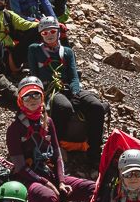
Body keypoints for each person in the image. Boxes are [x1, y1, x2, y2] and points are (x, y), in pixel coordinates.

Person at [6, 78, 94, 202]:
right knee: (49, 198)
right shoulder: (14, 128)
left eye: (36, 94)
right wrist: (46, 183)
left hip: (50, 175)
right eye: (27, 96)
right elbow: (20, 167)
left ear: (42, 97)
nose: (32, 99)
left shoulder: (48, 122)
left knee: (91, 188)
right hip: (26, 180)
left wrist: (60, 181)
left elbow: (57, 155)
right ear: (20, 100)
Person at [23, 16, 107, 169]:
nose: (49, 35)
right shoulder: (34, 49)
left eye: (53, 31)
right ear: (41, 35)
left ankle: (94, 152)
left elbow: (74, 76)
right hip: (51, 89)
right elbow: (34, 75)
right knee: (65, 108)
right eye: (45, 33)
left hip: (70, 87)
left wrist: (75, 93)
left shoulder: (67, 52)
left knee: (97, 107)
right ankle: (55, 147)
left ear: (58, 32)